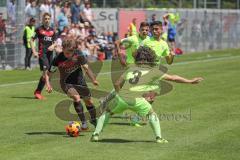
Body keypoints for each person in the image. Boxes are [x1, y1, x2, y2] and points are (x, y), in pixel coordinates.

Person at [91, 46, 203, 143]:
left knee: (107, 112)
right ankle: (159, 138)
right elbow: (173, 78)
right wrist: (190, 81)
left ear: (137, 58)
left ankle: (96, 135)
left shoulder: (131, 68)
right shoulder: (154, 71)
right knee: (151, 114)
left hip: (122, 98)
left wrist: (120, 93)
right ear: (150, 58)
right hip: (137, 100)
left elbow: (117, 83)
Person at [45, 37, 99, 130]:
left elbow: (86, 67)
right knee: (76, 97)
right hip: (66, 83)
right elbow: (48, 73)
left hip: (80, 82)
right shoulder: (58, 59)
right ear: (62, 49)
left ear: (74, 50)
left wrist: (93, 80)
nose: (68, 55)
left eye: (70, 53)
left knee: (89, 101)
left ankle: (93, 120)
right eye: (66, 53)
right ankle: (83, 123)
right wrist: (48, 84)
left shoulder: (79, 54)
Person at [30, 13, 56, 100]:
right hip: (42, 54)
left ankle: (37, 92)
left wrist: (54, 46)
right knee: (45, 72)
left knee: (49, 73)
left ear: (50, 19)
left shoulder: (52, 30)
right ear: (42, 19)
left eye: (48, 18)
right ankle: (45, 88)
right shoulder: (39, 29)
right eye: (45, 18)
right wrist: (34, 51)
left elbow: (55, 42)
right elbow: (31, 40)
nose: (47, 20)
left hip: (50, 54)